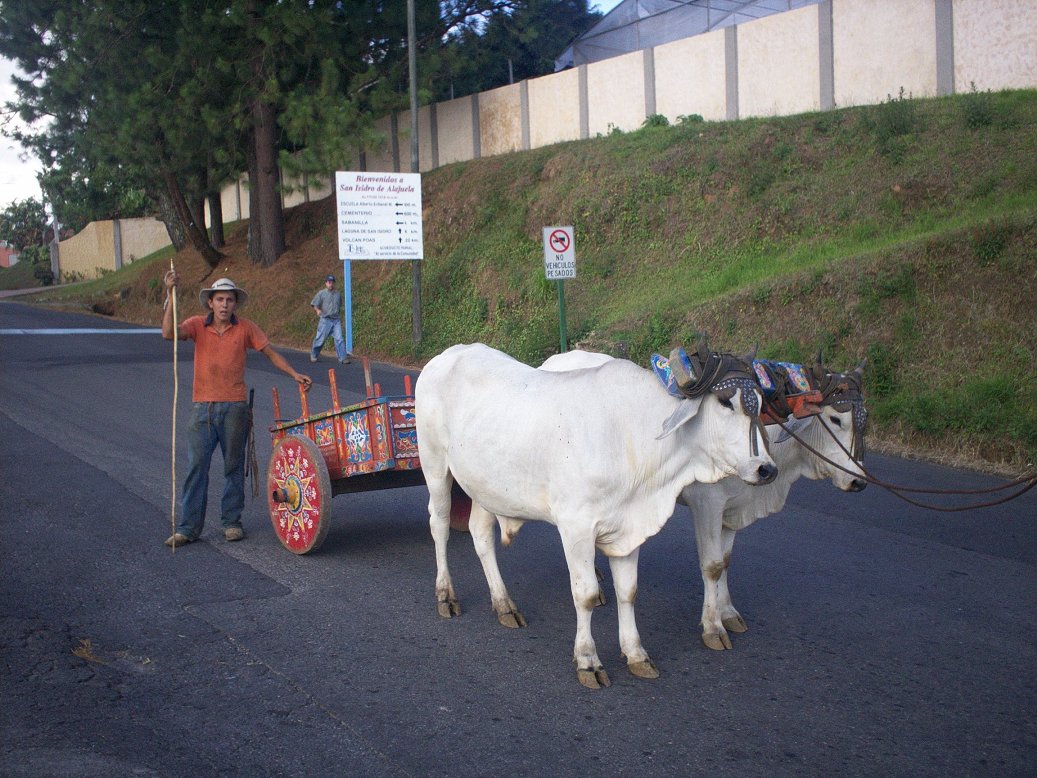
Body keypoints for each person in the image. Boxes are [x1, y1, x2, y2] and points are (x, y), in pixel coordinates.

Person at [162, 271, 312, 547]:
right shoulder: (197, 325)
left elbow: (269, 352)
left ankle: (231, 522)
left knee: (233, 467)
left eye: (229, 300)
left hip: (235, 407)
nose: (224, 305)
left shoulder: (245, 328)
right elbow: (168, 333)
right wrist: (170, 295)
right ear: (210, 303)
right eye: (219, 299)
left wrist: (294, 373)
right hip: (203, 408)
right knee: (197, 467)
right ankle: (188, 527)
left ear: (235, 304)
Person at [309, 274, 350, 364]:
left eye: (332, 282)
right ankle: (314, 355)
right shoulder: (321, 293)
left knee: (339, 339)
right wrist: (318, 310)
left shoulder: (338, 294)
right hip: (325, 320)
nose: (330, 284)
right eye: (329, 282)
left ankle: (343, 358)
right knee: (320, 339)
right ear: (326, 283)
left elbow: (340, 304)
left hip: (336, 320)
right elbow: (315, 304)